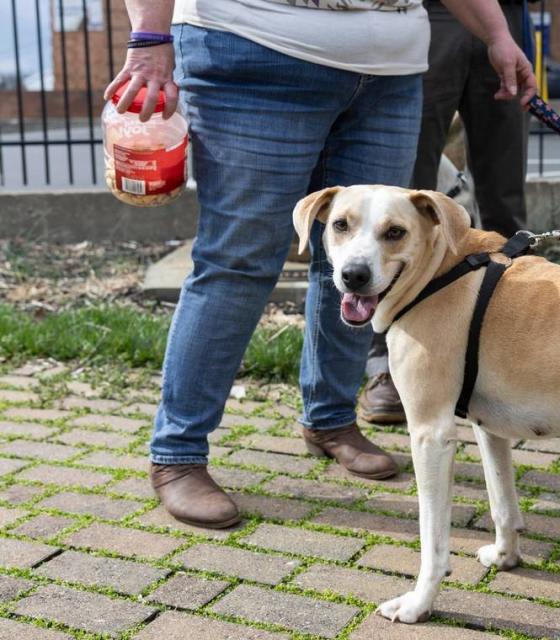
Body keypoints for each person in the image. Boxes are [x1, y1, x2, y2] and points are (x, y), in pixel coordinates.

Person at [106, 0, 536, 529]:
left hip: (390, 71)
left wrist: (495, 32)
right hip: (254, 51)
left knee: (360, 262)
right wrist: (150, 39)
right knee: (238, 260)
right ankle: (178, 455)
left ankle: (331, 420)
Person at [358, 0, 531, 424]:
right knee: (402, 202)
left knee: (505, 206)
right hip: (430, 13)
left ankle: (520, 356)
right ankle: (387, 367)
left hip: (507, 15)